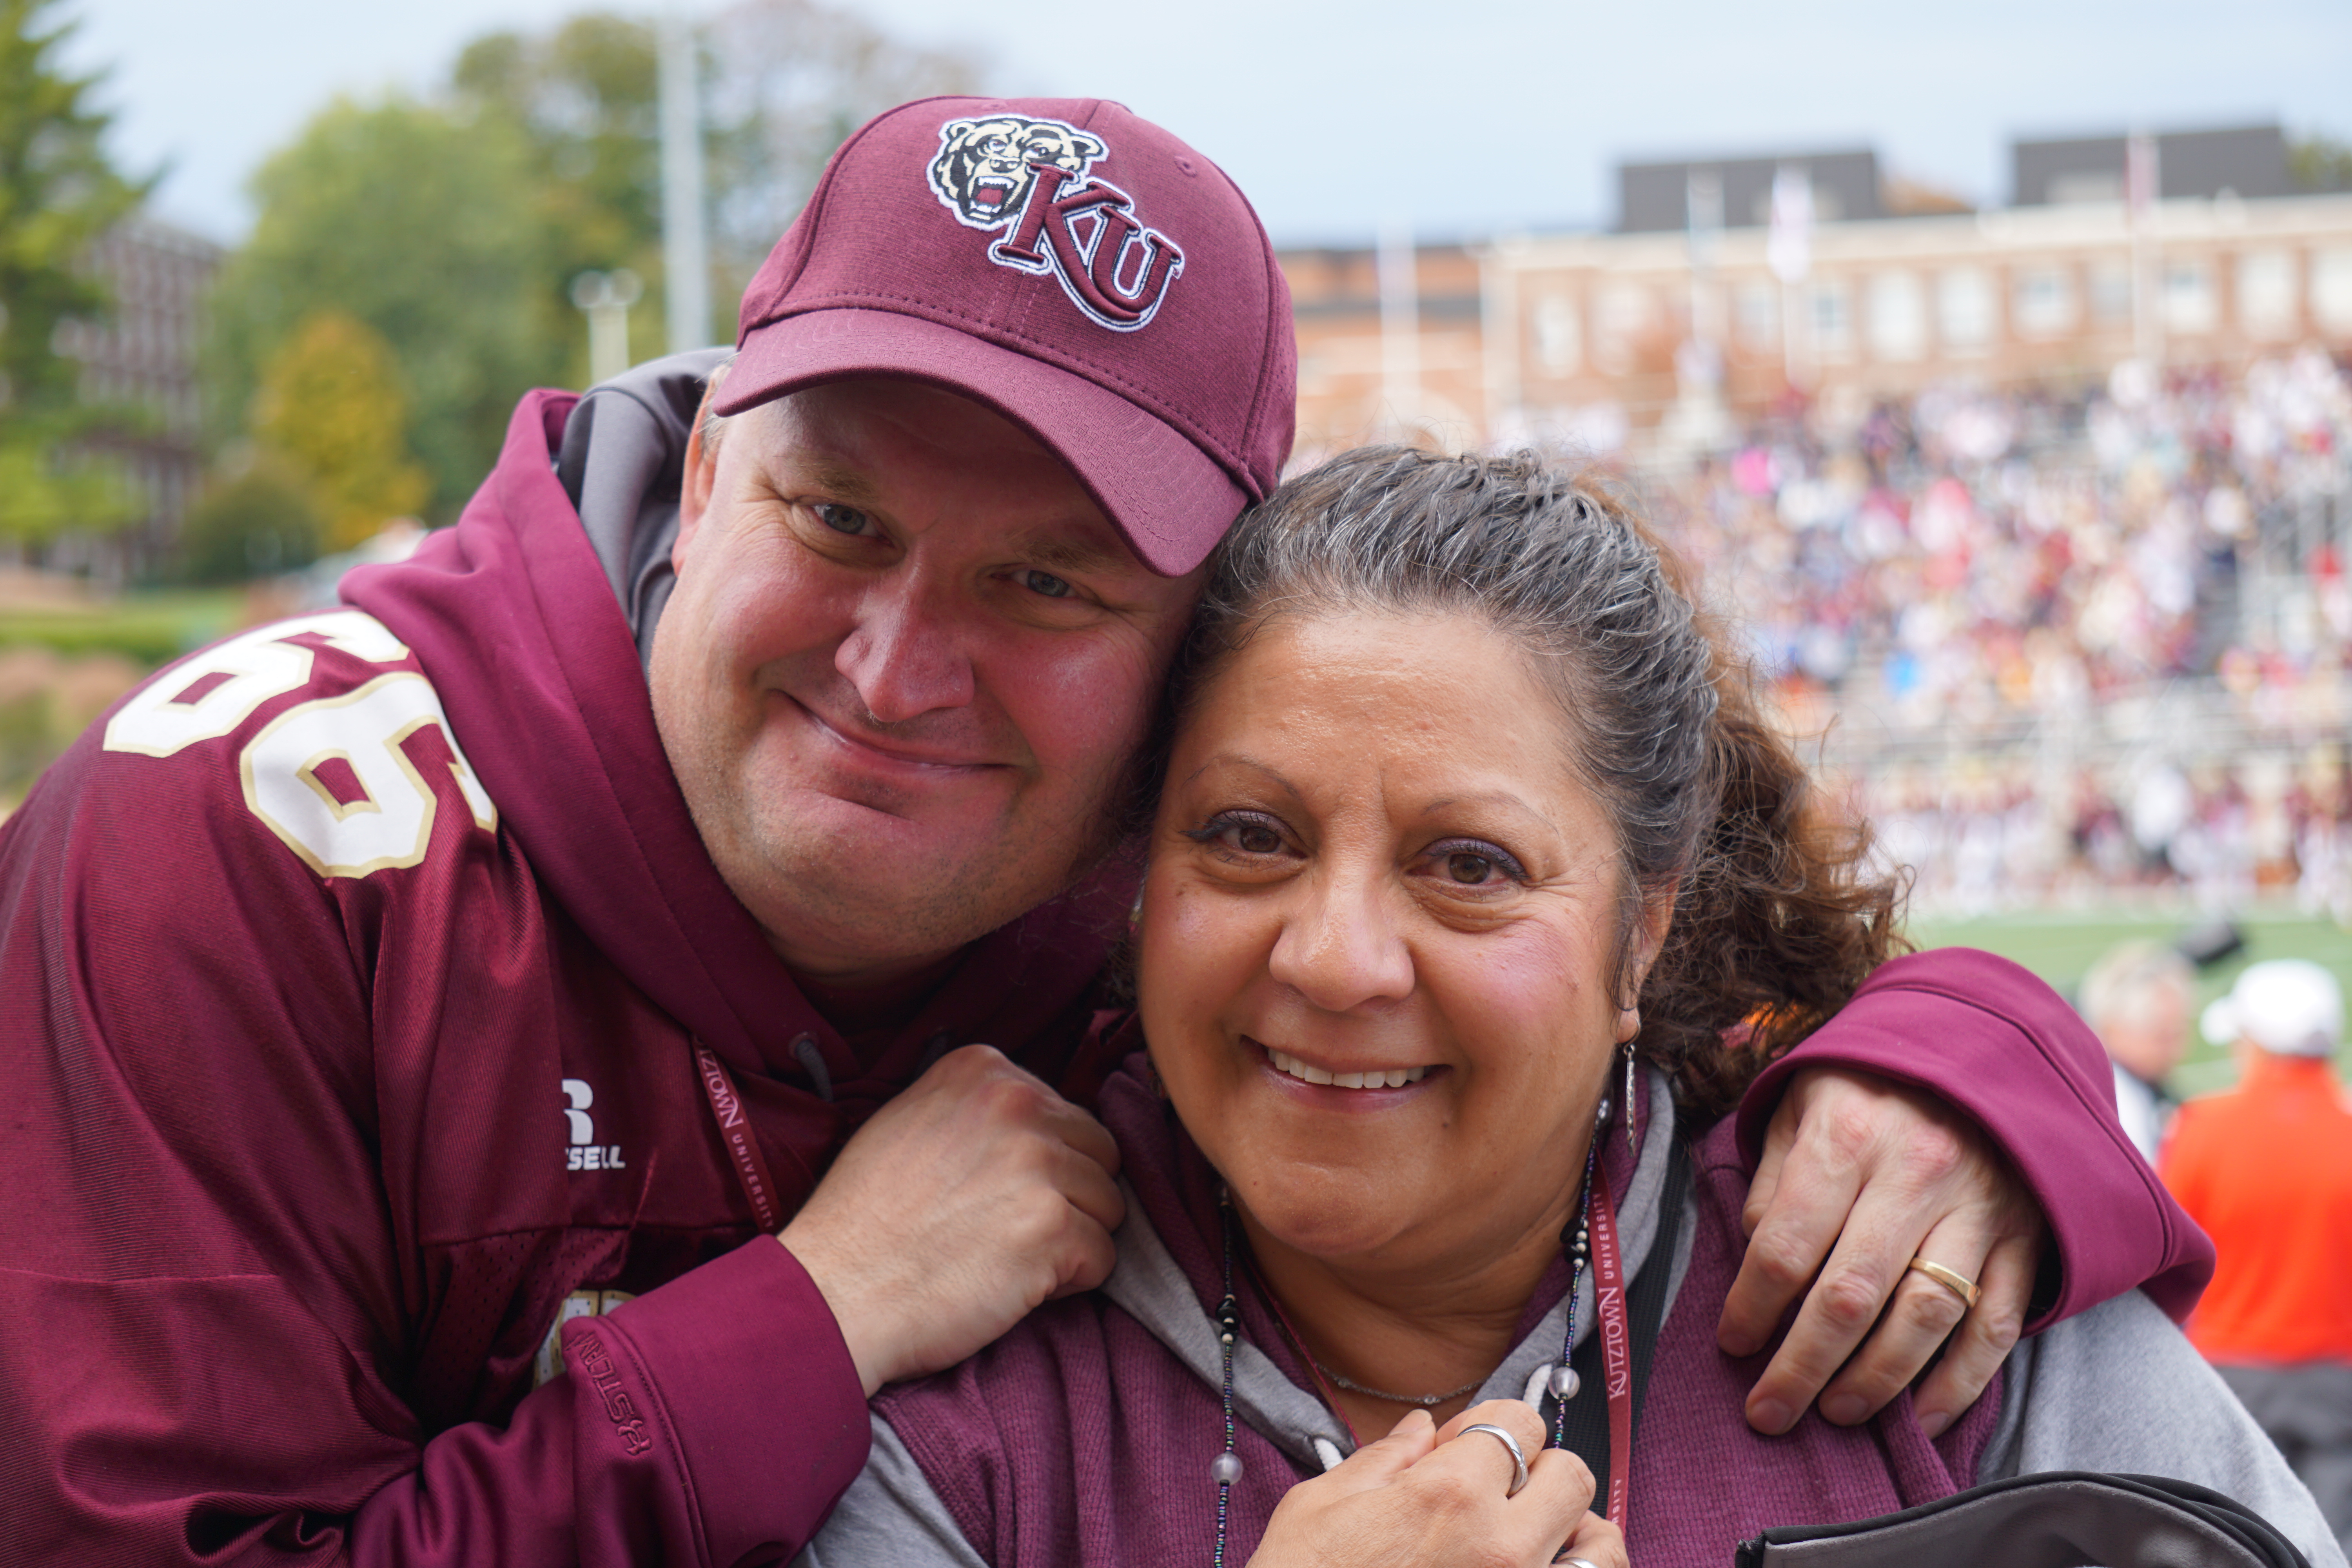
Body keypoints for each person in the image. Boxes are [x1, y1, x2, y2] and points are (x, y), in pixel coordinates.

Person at [0, 98, 2203, 1564]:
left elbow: (1626, 944)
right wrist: (805, 1322)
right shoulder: (235, 844)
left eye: (1044, 580)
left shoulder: (1175, 860)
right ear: (697, 469)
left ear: (1179, 670)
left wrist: (1966, 1079)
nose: (895, 659)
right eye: (833, 514)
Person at [801, 448, 2337, 1568]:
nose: (1337, 959)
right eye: (1250, 835)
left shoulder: (1941, 1312)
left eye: (1468, 866)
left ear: (1640, 932)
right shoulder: (957, 1411)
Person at [2163, 959, 2352, 1557]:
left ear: (2255, 1043)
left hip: (2228, 1370)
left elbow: (2170, 1256)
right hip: (2337, 1375)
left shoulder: (2204, 1126)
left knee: (2232, 1542)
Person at [2079, 939, 2196, 1162]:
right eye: (2162, 1038)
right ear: (2111, 1029)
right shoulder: (2112, 1106)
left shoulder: (2144, 1084)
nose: (2176, 1052)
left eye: (2179, 1034)